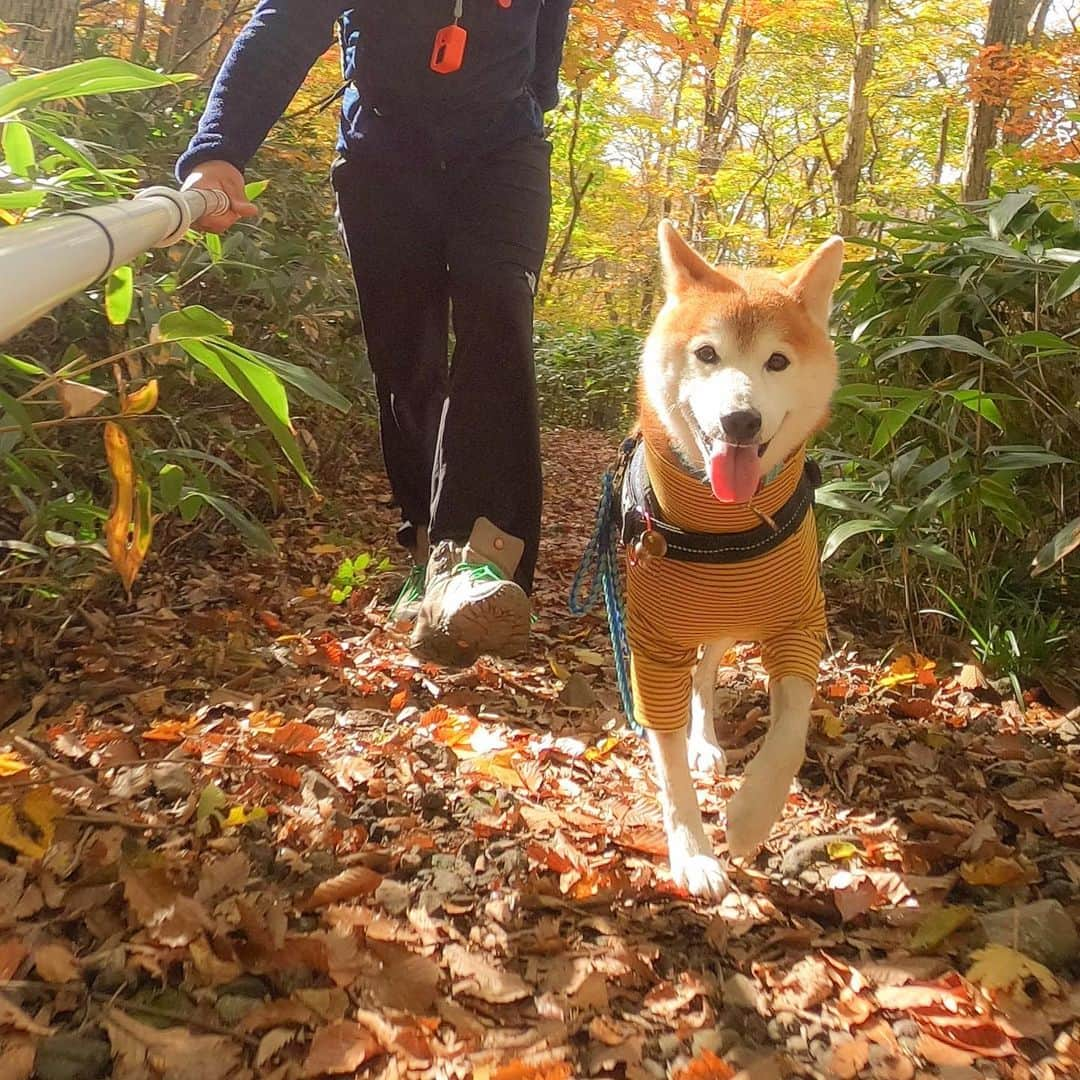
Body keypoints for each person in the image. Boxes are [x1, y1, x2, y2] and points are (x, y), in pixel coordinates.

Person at [177, 1, 572, 664]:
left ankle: (480, 559)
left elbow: (548, 24)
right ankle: (426, 547)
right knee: (408, 358)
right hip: (383, 155)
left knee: (499, 304)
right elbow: (287, 23)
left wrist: (535, 89)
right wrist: (220, 150)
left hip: (504, 149)